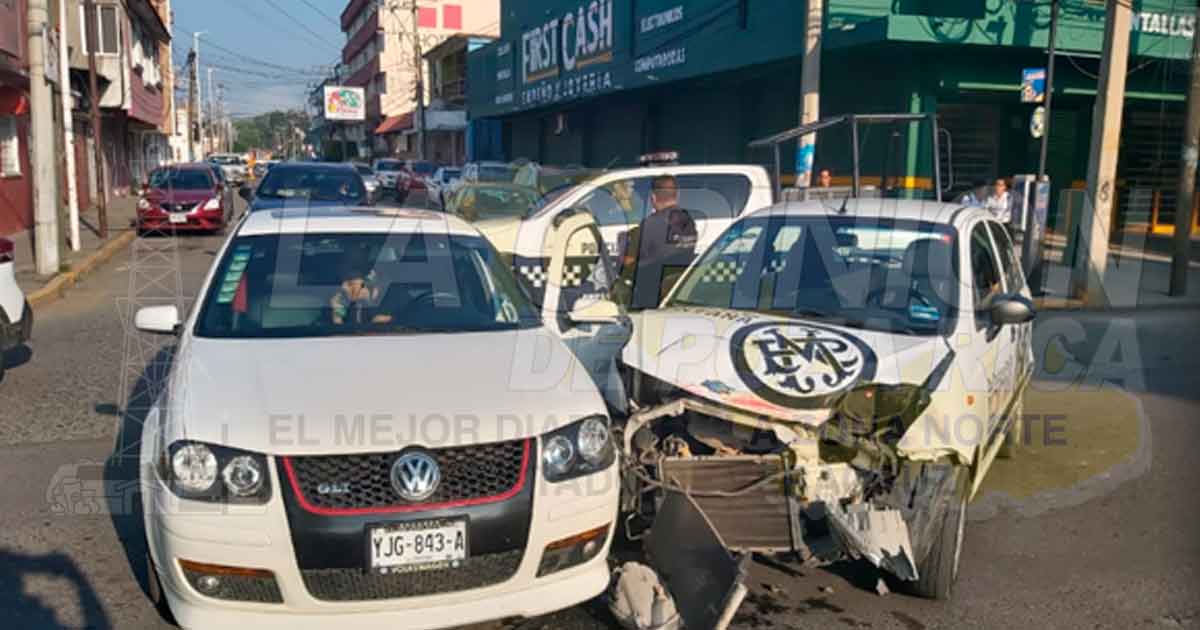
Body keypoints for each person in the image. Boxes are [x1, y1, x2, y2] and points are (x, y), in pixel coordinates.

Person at [615, 175, 698, 309]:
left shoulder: (649, 225)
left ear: (653, 197)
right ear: (677, 195)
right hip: (678, 294)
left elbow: (628, 264)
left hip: (649, 299)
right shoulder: (688, 222)